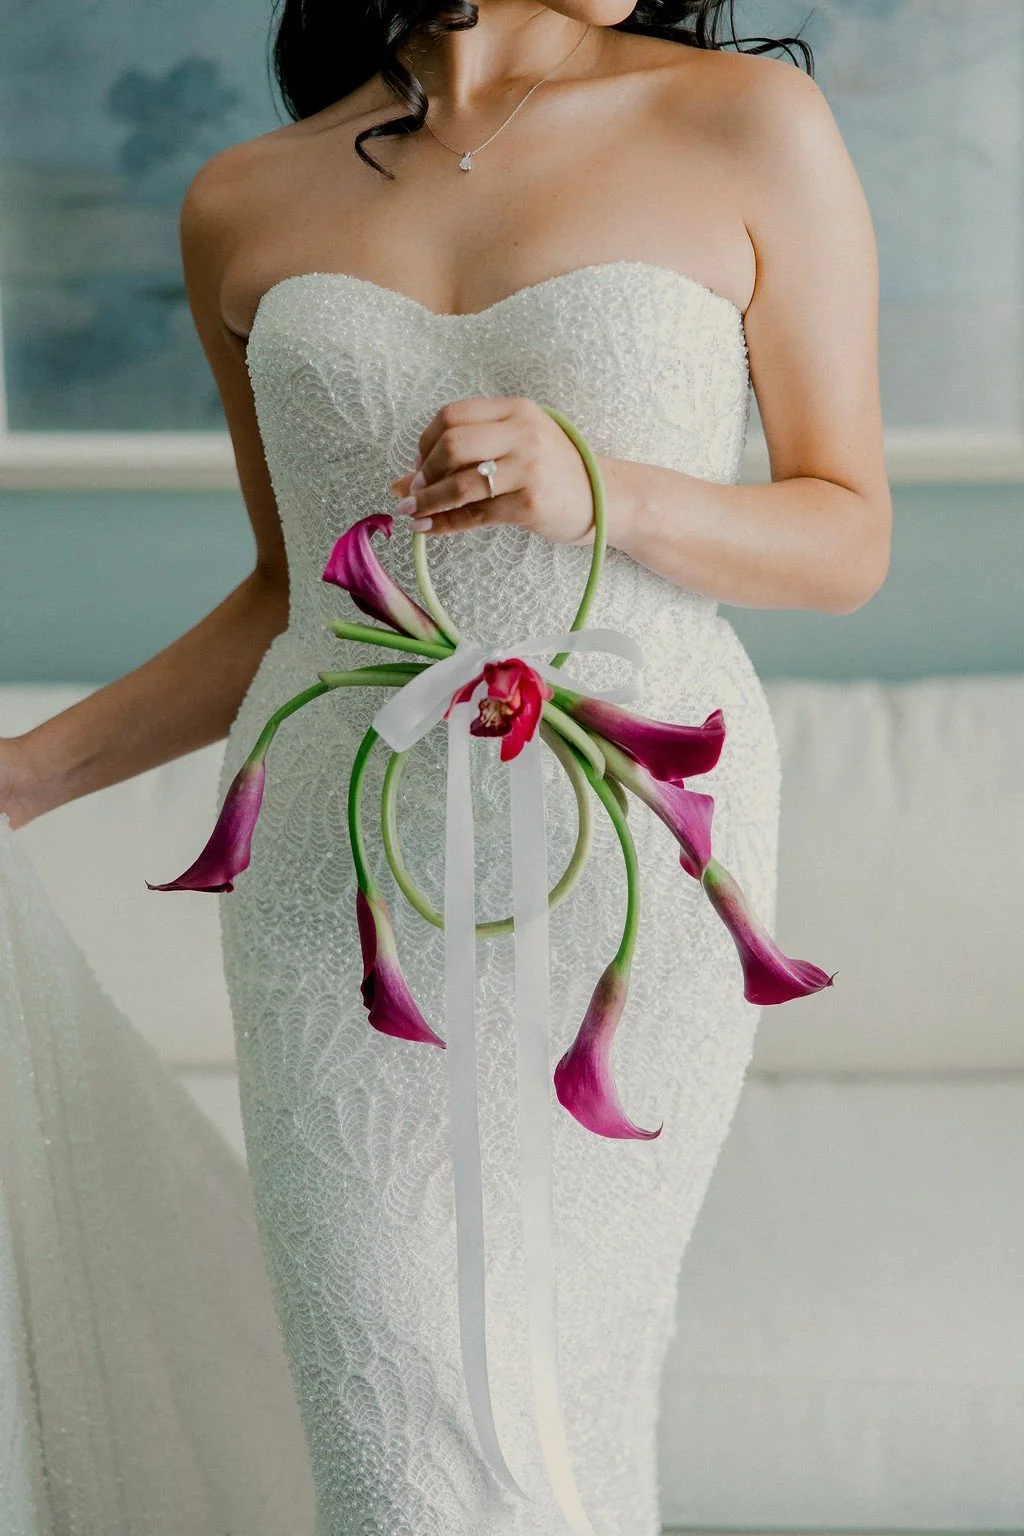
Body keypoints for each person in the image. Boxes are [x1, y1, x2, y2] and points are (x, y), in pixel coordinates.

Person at [0, 2, 891, 1532]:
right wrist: (22, 773)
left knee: (572, 1379)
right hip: (335, 881)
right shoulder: (244, 196)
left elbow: (846, 532)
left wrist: (601, 488)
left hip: (640, 855)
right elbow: (291, 594)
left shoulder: (748, 124)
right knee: (391, 1417)